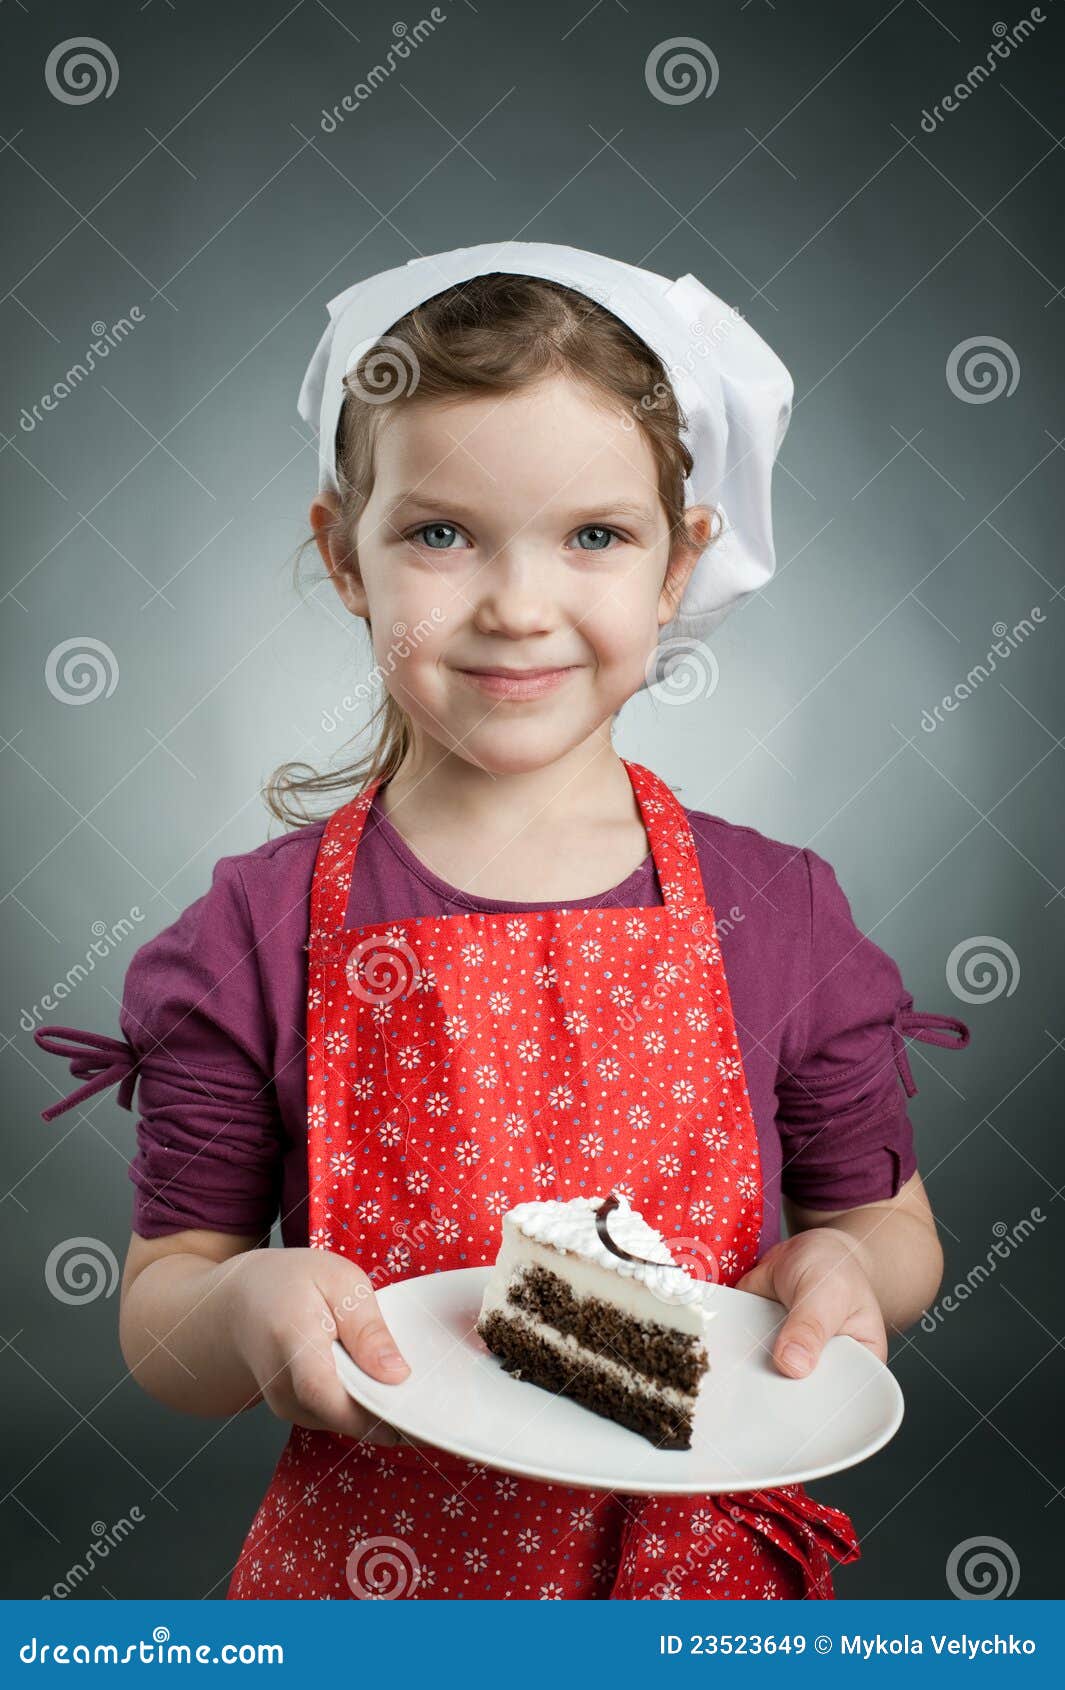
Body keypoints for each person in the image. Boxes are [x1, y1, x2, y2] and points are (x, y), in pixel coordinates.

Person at [35, 242, 970, 1601]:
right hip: (375, 1588)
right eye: (438, 532)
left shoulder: (779, 908)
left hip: (697, 1592)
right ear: (341, 555)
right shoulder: (254, 927)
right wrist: (239, 1312)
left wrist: (849, 1269)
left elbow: (890, 1225)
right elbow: (169, 1291)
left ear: (676, 562)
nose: (517, 606)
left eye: (594, 534)